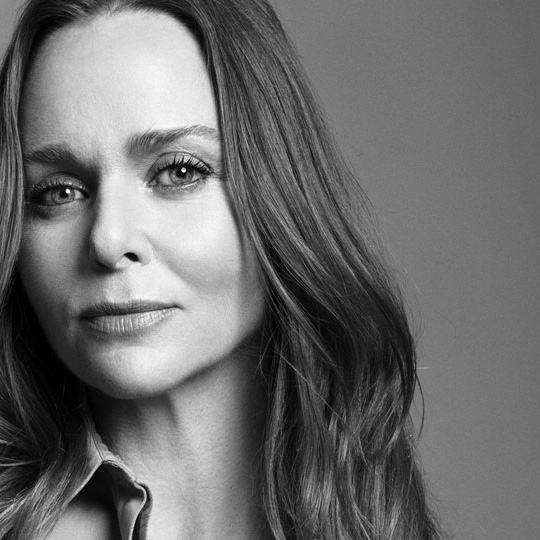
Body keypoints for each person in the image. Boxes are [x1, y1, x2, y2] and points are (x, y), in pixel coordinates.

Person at [0, 0, 442, 539]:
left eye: (178, 171)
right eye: (59, 192)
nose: (109, 240)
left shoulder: (373, 515)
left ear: (278, 190)